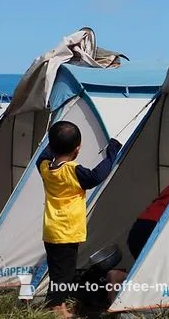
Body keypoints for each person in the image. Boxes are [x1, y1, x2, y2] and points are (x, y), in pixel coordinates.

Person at [35, 121, 122, 318]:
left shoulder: (45, 168)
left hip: (51, 230)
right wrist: (112, 152)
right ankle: (57, 308)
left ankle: (58, 305)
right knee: (64, 273)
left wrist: (54, 143)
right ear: (77, 149)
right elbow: (96, 176)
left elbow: (44, 156)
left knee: (58, 270)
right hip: (67, 231)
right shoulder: (73, 170)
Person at [104, 170, 169, 303]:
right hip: (158, 227)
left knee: (152, 274)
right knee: (163, 277)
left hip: (142, 225)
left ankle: (121, 278)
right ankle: (124, 284)